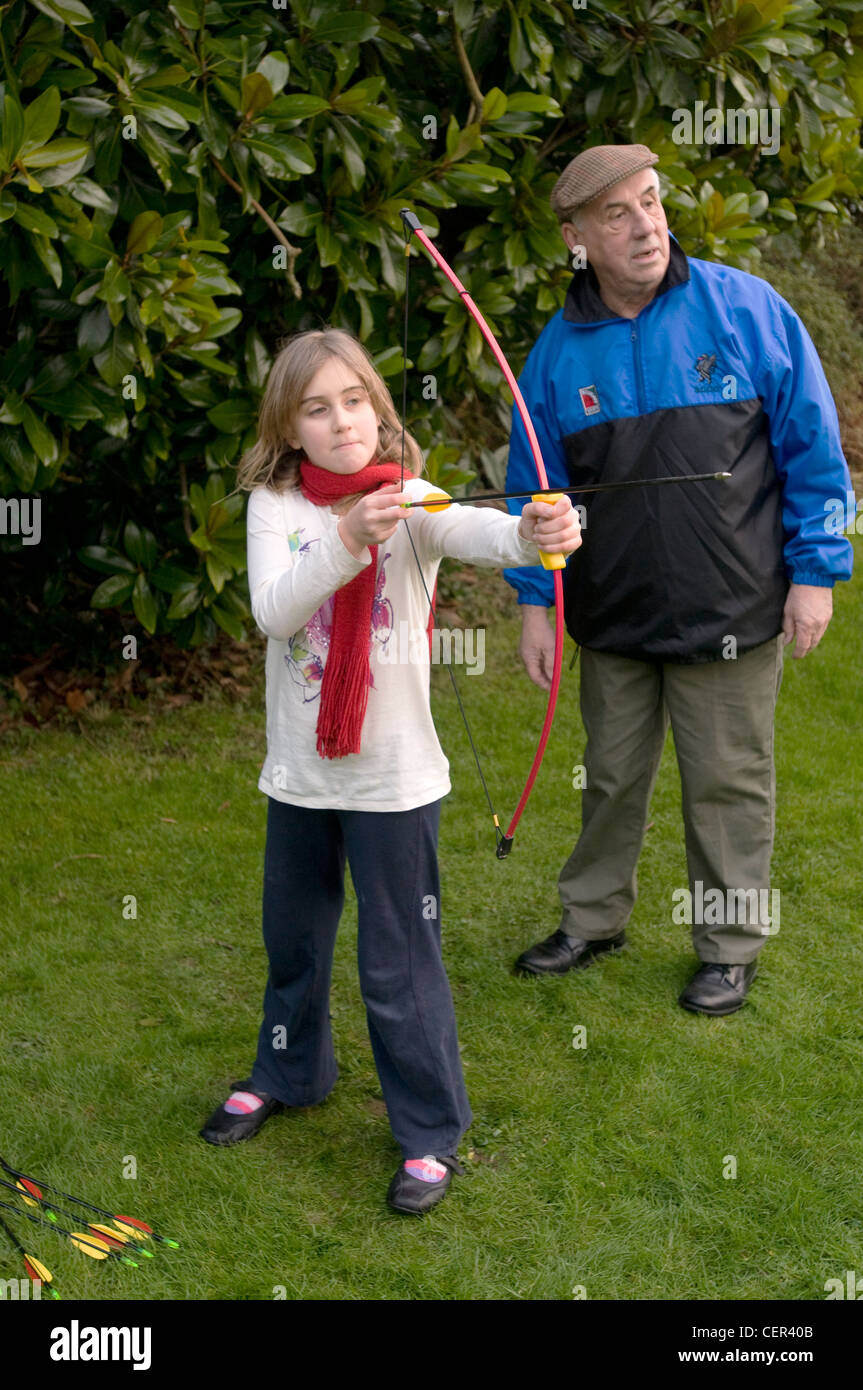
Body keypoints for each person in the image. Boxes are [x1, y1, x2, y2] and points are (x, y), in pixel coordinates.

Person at [198, 327, 581, 1212]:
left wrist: (543, 527)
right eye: (317, 408)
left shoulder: (412, 497)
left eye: (355, 400)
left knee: (397, 960)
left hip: (394, 784)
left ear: (377, 406)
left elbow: (495, 534)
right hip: (299, 776)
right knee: (293, 941)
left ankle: (426, 1132)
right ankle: (288, 1073)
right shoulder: (274, 506)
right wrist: (343, 536)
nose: (341, 423)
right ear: (290, 429)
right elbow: (274, 612)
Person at [505, 144, 854, 1014]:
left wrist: (816, 573)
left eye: (651, 202)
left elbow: (815, 451)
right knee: (610, 776)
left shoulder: (747, 310)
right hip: (610, 609)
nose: (645, 225)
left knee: (727, 779)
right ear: (576, 237)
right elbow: (533, 491)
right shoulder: (553, 355)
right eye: (616, 214)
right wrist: (535, 605)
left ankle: (728, 944)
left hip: (731, 606)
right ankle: (593, 920)